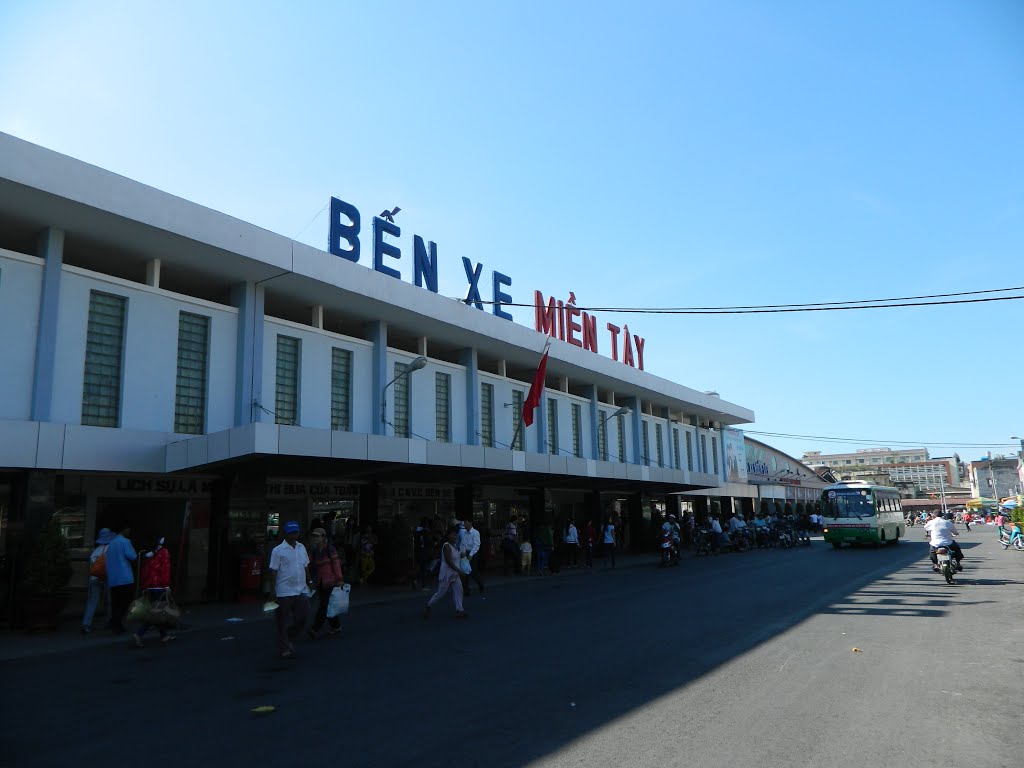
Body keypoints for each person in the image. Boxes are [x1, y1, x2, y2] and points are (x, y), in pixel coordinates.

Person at [268, 521, 312, 659]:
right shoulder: (278, 550)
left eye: (296, 532)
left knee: (302, 617)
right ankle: (284, 645)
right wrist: (273, 590)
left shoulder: (301, 547)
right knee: (282, 620)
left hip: (300, 589)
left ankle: (287, 636)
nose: (295, 535)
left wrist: (309, 581)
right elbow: (273, 571)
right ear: (285, 534)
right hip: (284, 590)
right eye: (292, 532)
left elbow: (306, 566)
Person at [133, 537, 174, 647]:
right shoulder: (164, 553)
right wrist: (166, 585)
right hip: (159, 587)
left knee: (156, 611)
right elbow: (165, 569)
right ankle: (139, 634)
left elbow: (145, 572)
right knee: (157, 613)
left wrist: (144, 586)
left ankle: (164, 635)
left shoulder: (150, 554)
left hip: (150, 587)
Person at [423, 525, 467, 619]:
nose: (455, 537)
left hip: (454, 573)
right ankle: (428, 605)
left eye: (456, 535)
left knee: (459, 590)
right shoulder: (446, 546)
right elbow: (449, 561)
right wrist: (459, 570)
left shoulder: (455, 546)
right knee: (441, 593)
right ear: (448, 536)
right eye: (453, 535)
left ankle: (459, 610)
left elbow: (458, 558)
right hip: (447, 573)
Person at [307, 527, 344, 639]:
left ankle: (315, 629)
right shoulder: (314, 551)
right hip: (320, 582)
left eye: (318, 536)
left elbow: (336, 564)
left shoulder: (330, 549)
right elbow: (311, 567)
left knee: (324, 606)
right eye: (314, 536)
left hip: (331, 581)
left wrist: (339, 579)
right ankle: (336, 626)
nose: (315, 538)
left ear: (323, 537)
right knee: (328, 605)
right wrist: (311, 580)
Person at [105, 523, 137, 635]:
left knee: (116, 602)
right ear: (125, 529)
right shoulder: (125, 542)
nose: (129, 531)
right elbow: (133, 556)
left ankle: (115, 622)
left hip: (113, 578)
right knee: (126, 601)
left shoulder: (111, 544)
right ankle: (117, 622)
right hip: (125, 577)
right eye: (129, 529)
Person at [81, 528, 113, 634]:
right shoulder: (110, 548)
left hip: (94, 578)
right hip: (105, 577)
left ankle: (86, 624)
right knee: (108, 601)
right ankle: (110, 621)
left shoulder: (95, 551)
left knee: (92, 601)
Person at [458, 519, 485, 595]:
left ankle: (481, 585)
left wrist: (471, 555)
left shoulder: (475, 533)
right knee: (465, 572)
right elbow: (462, 544)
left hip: (472, 553)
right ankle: (466, 590)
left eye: (466, 522)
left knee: (473, 572)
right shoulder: (464, 533)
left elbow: (476, 545)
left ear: (470, 523)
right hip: (465, 553)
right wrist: (462, 552)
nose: (464, 524)